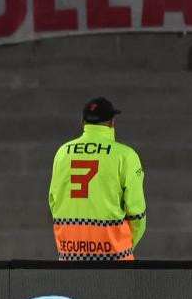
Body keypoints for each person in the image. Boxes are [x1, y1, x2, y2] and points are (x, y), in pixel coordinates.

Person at [49, 97, 146, 261]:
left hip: (70, 256)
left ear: (82, 122)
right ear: (112, 123)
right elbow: (137, 214)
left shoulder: (62, 153)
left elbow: (53, 201)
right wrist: (122, 246)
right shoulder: (126, 156)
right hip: (114, 258)